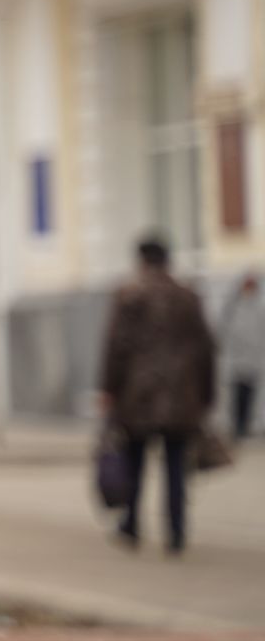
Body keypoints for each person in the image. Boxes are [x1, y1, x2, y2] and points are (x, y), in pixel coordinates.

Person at [99, 236, 217, 554]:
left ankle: (132, 525)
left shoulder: (129, 296)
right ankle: (176, 532)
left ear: (141, 260)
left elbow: (116, 349)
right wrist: (207, 395)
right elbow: (206, 348)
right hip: (181, 396)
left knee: (135, 462)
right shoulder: (188, 297)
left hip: (139, 396)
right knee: (176, 465)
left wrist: (109, 389)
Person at [221, 271, 263, 439]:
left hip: (254, 358)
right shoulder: (232, 307)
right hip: (235, 358)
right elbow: (223, 331)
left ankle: (248, 425)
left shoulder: (260, 307)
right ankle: (237, 426)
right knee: (237, 395)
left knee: (252, 394)